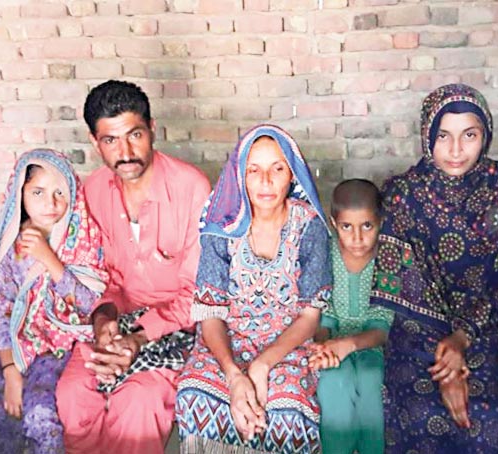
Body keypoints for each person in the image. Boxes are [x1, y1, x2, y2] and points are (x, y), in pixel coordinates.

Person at [371, 84, 498, 453]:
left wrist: (461, 341)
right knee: (421, 412)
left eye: (469, 135)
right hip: (414, 331)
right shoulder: (401, 195)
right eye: (443, 136)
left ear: (485, 136)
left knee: (485, 420)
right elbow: (403, 283)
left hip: (478, 328)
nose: (456, 150)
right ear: (428, 136)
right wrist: (447, 369)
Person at [54, 80, 211, 454]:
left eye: (135, 135)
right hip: (119, 321)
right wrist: (104, 320)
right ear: (95, 142)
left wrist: (139, 338)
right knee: (73, 396)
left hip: (178, 327)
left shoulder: (192, 187)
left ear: (152, 129)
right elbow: (99, 276)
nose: (125, 153)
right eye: (111, 140)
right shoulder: (93, 191)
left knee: (138, 404)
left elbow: (197, 293)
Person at [175, 124, 332, 453]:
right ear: (240, 176)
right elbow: (210, 314)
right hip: (226, 343)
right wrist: (234, 376)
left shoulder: (309, 226)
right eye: (254, 170)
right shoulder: (222, 227)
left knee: (288, 406)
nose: (266, 181)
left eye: (278, 169)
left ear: (292, 174)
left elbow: (309, 317)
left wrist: (262, 365)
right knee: (193, 392)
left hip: (287, 345)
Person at [0, 149, 107, 454]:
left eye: (60, 192)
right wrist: (10, 369)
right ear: (20, 195)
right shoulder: (13, 247)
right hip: (9, 346)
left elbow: (90, 307)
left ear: (73, 195)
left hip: (56, 351)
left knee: (41, 413)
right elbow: (2, 312)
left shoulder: (82, 242)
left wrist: (49, 259)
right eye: (38, 192)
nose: (51, 203)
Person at [308, 179, 395, 454]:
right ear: (334, 224)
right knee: (333, 379)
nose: (357, 238)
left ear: (381, 222)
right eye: (347, 227)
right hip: (330, 341)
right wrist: (324, 346)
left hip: (373, 345)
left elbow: (381, 327)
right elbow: (323, 315)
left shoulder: (389, 257)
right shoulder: (326, 253)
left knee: (371, 378)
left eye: (367, 226)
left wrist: (349, 345)